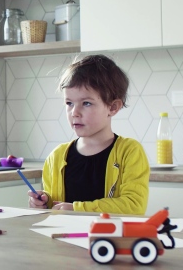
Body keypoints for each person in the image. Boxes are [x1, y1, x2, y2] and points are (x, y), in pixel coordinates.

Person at [27, 54, 149, 215]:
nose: (74, 112)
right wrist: (42, 201)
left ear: (113, 107)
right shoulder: (56, 157)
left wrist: (78, 209)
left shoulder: (130, 151)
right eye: (69, 103)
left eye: (86, 103)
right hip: (64, 238)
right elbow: (56, 206)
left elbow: (134, 206)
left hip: (111, 238)